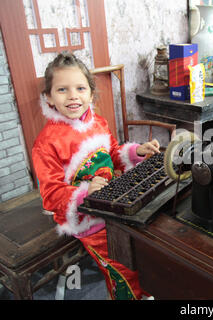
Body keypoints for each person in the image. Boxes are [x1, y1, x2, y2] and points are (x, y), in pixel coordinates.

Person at [32, 52, 159, 300]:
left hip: (115, 201)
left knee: (147, 250)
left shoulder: (97, 122)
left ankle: (147, 291)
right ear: (48, 97)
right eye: (62, 90)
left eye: (80, 88)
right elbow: (51, 194)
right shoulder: (46, 142)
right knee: (121, 265)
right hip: (88, 219)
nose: (73, 96)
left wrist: (136, 151)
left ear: (91, 93)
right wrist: (84, 193)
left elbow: (111, 153)